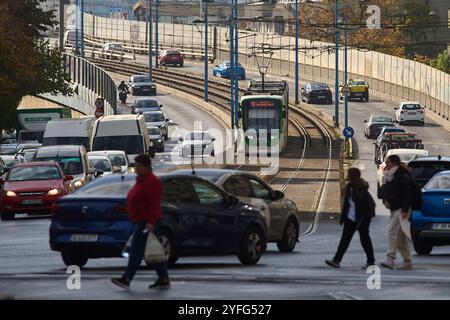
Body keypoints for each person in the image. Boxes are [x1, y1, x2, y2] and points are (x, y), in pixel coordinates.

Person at [111, 154, 169, 289]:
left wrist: (151, 222)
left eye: (139, 166)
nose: (136, 169)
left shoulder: (152, 182)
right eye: (135, 166)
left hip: (145, 222)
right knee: (151, 249)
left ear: (147, 167)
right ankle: (163, 277)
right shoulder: (141, 180)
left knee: (136, 251)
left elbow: (154, 204)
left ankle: (127, 278)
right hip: (138, 220)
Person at [325, 167, 376, 269]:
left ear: (352, 176)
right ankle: (336, 260)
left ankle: (371, 261)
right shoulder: (349, 187)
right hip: (350, 219)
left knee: (365, 240)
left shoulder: (361, 189)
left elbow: (371, 205)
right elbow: (347, 205)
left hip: (361, 219)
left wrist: (365, 219)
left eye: (348, 174)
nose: (346, 176)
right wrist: (343, 217)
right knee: (344, 240)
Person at [380, 154, 413, 270]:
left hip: (401, 209)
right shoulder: (390, 175)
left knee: (392, 232)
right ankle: (407, 260)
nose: (386, 165)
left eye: (388, 162)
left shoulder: (402, 175)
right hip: (394, 209)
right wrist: (385, 200)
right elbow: (385, 190)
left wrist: (404, 210)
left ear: (393, 163)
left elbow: (407, 193)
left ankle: (390, 259)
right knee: (401, 237)